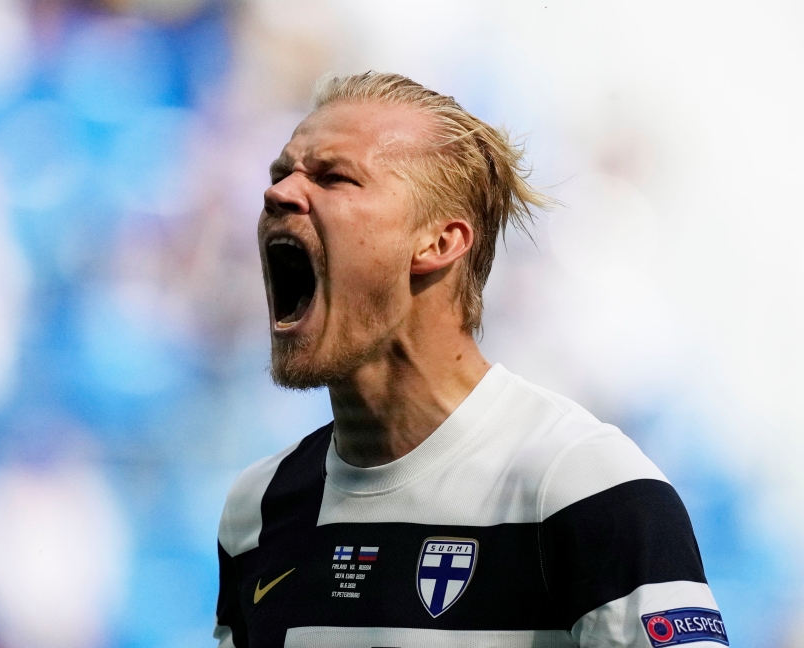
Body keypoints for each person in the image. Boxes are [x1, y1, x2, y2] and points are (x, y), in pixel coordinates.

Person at [213, 72, 725, 648]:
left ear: (439, 243)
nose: (278, 194)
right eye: (281, 173)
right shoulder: (258, 508)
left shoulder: (584, 485)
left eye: (334, 177)